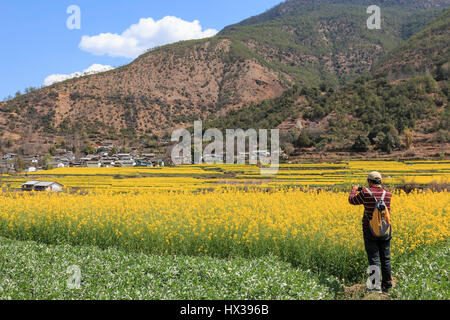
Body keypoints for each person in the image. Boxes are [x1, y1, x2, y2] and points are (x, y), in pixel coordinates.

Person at [349, 171, 392, 294]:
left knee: (374, 258)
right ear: (381, 182)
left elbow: (352, 200)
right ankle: (387, 286)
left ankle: (375, 287)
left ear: (369, 182)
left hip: (370, 230)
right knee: (386, 259)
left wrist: (354, 190)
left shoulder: (365, 193)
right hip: (385, 230)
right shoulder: (388, 194)